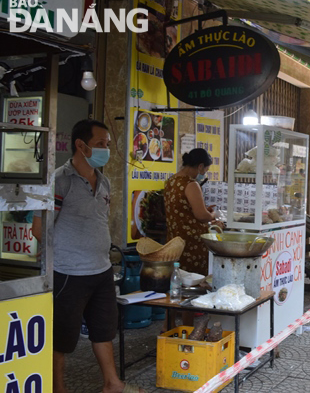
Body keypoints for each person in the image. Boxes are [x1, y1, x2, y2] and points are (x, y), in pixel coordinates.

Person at [33, 119, 143, 393]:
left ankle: (112, 384)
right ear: (80, 146)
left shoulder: (103, 182)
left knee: (104, 331)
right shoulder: (59, 181)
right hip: (68, 274)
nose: (105, 149)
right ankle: (58, 389)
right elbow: (39, 229)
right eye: (99, 144)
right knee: (61, 339)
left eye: (107, 144)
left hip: (101, 271)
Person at [164, 148, 222, 275]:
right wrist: (213, 215)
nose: (204, 174)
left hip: (174, 242)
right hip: (192, 244)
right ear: (200, 166)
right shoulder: (191, 184)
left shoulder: (171, 181)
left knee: (179, 278)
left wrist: (203, 208)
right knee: (194, 280)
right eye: (205, 170)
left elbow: (182, 209)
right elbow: (202, 216)